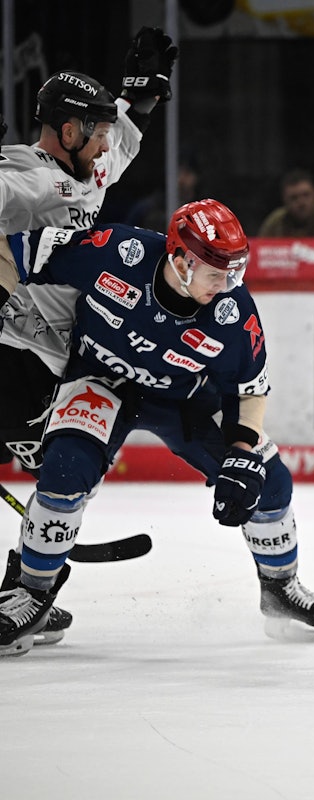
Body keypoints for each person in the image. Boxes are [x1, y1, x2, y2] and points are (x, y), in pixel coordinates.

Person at [0, 199, 314, 656]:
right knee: (65, 470)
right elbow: (12, 252)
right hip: (101, 383)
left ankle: (280, 590)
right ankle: (33, 594)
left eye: (235, 272)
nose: (228, 284)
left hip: (183, 400)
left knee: (268, 480)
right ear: (181, 259)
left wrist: (243, 450)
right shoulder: (115, 251)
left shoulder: (233, 311)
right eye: (217, 272)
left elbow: (250, 389)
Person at [0, 29, 179, 647]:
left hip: (59, 362)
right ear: (68, 132)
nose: (107, 145)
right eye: (95, 132)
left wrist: (142, 95)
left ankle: (23, 591)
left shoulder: (87, 166)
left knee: (61, 468)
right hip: (13, 356)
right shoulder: (21, 178)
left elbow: (122, 142)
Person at [258, 168, 314, 238]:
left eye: (306, 195)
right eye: (294, 198)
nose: (301, 203)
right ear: (284, 201)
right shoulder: (275, 223)